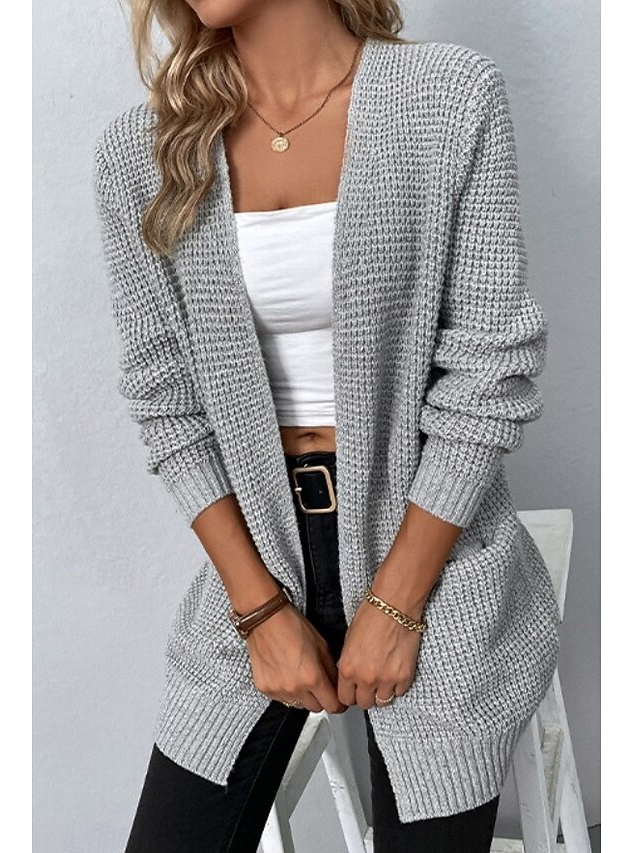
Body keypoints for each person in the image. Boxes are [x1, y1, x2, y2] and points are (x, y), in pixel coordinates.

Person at [93, 1, 562, 850]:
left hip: (435, 560)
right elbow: (168, 402)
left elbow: (489, 370)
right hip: (256, 561)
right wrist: (258, 613)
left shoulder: (447, 97)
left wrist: (397, 603)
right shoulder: (144, 150)